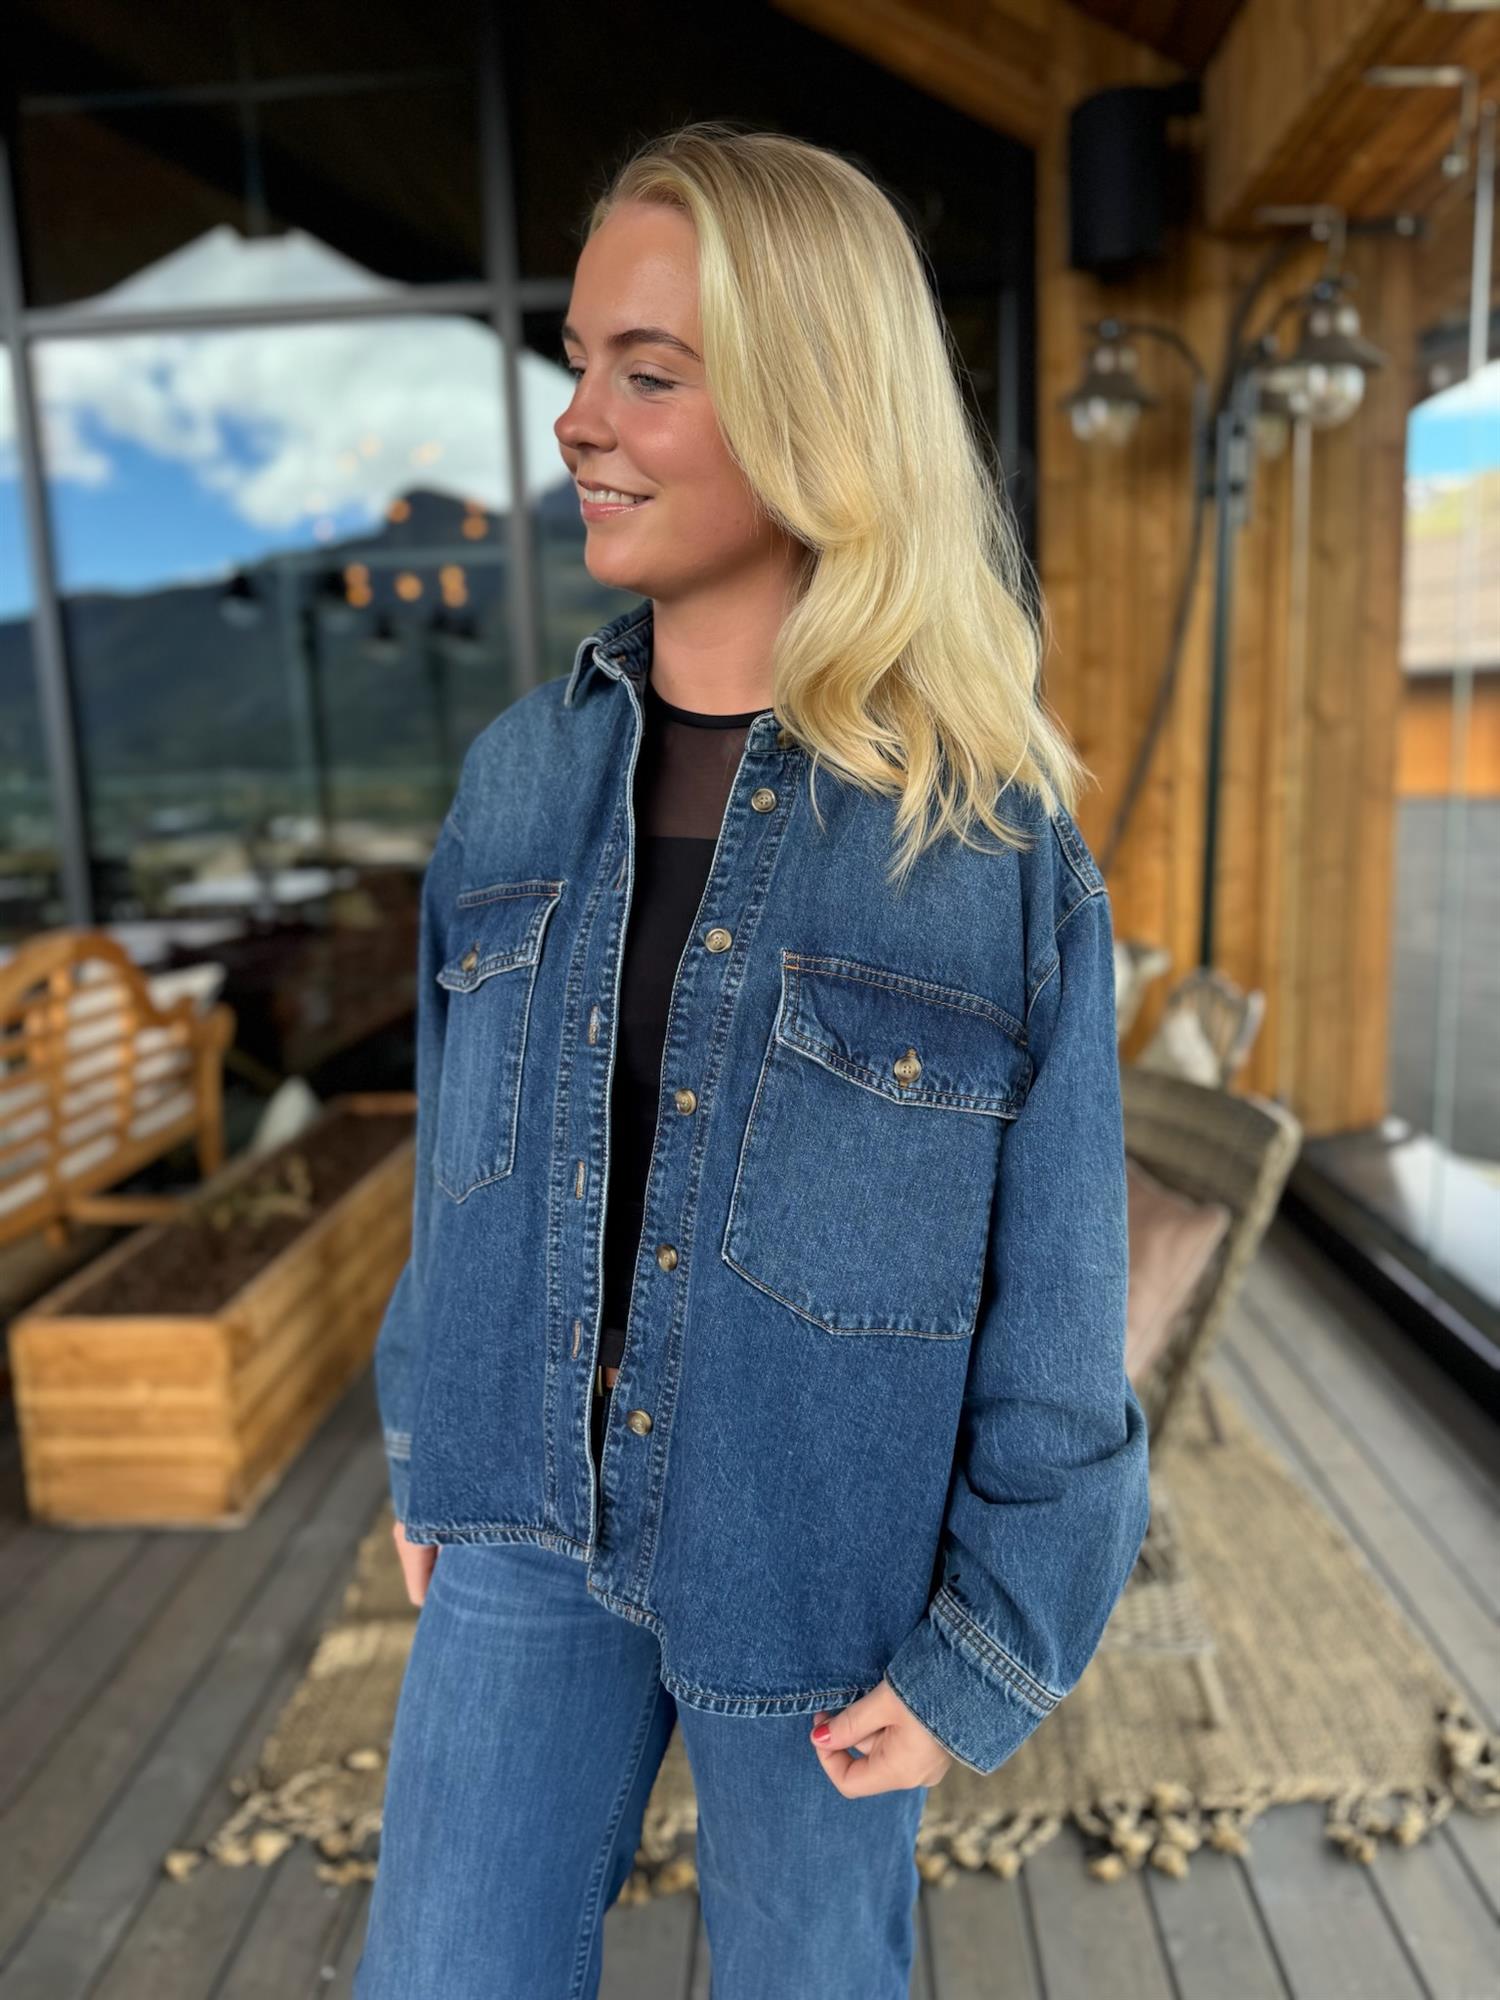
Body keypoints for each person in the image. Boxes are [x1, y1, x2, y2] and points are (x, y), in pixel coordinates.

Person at [353, 119, 1149, 2000]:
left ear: (811, 402)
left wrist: (995, 1635)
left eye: (651, 373)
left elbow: (1058, 1301)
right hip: (521, 1506)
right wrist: (425, 1435)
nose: (579, 421)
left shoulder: (985, 849)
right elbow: (458, 1171)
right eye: (579, 365)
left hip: (814, 1550)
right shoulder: (515, 783)